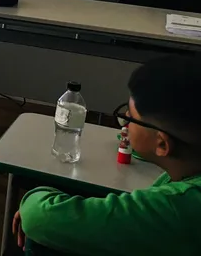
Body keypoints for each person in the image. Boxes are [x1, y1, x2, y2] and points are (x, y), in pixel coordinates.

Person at [12, 55, 201, 255]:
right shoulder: (188, 164)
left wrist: (34, 196)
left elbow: (38, 217)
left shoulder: (178, 207)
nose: (125, 122)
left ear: (162, 144)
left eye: (131, 117)